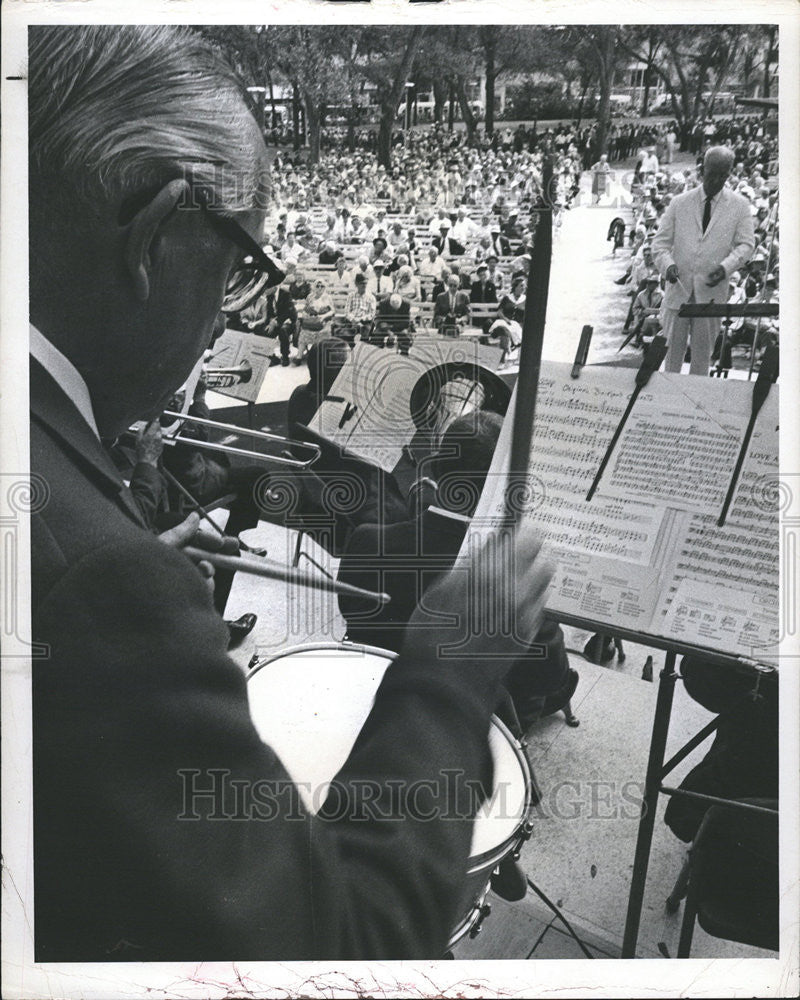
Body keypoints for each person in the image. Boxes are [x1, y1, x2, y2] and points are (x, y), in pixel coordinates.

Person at [28, 24, 555, 963]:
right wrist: (456, 666)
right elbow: (336, 946)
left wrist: (113, 561)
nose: (224, 316)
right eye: (240, 273)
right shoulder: (103, 584)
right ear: (154, 237)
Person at [652, 146, 756, 375]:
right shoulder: (679, 202)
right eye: (712, 174)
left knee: (701, 361)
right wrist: (668, 266)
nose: (717, 180)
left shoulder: (739, 206)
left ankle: (693, 409)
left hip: (711, 296)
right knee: (671, 359)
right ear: (701, 170)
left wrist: (725, 268)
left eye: (723, 175)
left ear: (729, 174)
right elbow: (659, 245)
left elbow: (747, 245)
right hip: (677, 294)